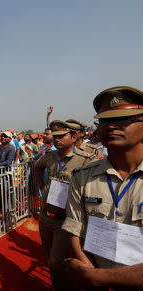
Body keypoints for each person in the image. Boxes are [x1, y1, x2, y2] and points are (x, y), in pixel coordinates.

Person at [62, 86, 143, 290]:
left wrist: (98, 278)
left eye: (124, 119)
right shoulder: (82, 177)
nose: (111, 126)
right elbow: (75, 233)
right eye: (105, 121)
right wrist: (93, 278)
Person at [34, 120, 97, 291]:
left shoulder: (85, 160)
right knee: (51, 259)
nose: (56, 139)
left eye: (61, 136)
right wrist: (42, 186)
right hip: (46, 216)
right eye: (54, 136)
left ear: (74, 136)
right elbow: (37, 167)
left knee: (55, 262)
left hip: (66, 220)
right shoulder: (50, 156)